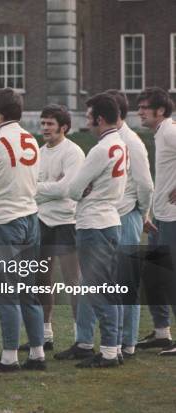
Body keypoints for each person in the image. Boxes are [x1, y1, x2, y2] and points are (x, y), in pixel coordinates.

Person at [0, 88, 46, 372]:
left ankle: (9, 356)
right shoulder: (32, 140)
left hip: (3, 221)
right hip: (30, 218)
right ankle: (37, 352)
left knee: (5, 291)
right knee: (28, 290)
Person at [56, 93, 127, 368]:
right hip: (110, 219)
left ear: (99, 119)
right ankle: (115, 346)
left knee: (100, 289)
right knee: (110, 287)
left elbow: (73, 189)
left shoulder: (100, 149)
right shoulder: (120, 144)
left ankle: (109, 350)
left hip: (94, 223)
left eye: (88, 117)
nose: (86, 122)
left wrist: (80, 188)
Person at [24, 104, 85, 351]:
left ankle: (81, 337)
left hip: (67, 222)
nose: (45, 128)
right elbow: (31, 189)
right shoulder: (37, 152)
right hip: (42, 221)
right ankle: (45, 334)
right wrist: (49, 187)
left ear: (64, 127)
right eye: (43, 123)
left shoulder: (73, 153)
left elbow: (66, 189)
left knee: (73, 281)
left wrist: (40, 188)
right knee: (41, 279)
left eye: (50, 124)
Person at [106, 89, 154, 359]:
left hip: (128, 216)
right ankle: (118, 337)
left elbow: (146, 184)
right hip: (113, 215)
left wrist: (142, 211)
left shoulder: (131, 142)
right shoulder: (114, 139)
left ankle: (128, 341)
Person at [136, 86, 176, 356]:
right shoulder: (161, 133)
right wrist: (149, 212)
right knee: (152, 276)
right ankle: (162, 332)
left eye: (144, 107)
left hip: (173, 218)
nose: (139, 112)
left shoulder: (171, 131)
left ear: (160, 110)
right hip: (160, 218)